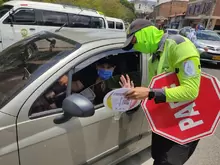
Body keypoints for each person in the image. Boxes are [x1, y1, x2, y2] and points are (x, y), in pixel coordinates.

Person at [123, 19, 201, 165]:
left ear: (145, 33)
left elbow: (191, 90)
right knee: (158, 157)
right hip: (165, 120)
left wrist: (150, 93)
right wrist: (131, 92)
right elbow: (151, 93)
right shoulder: (154, 59)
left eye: (134, 41)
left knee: (167, 162)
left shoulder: (179, 46)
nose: (135, 46)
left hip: (185, 120)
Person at [59, 57, 133, 104]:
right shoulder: (91, 76)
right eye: (102, 67)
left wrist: (126, 93)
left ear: (114, 68)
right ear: (97, 67)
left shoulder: (118, 82)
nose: (105, 70)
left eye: (109, 67)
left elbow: (121, 103)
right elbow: (77, 86)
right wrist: (66, 81)